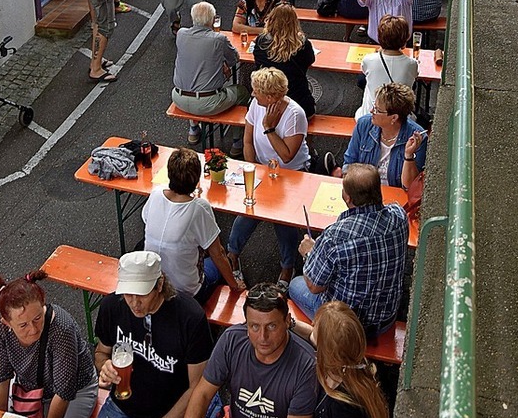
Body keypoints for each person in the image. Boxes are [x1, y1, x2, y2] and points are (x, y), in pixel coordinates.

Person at [91, 251, 215, 418]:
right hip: (122, 408)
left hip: (172, 415)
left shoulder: (190, 317)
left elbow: (197, 388)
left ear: (159, 284)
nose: (134, 302)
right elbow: (101, 352)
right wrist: (104, 366)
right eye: (128, 294)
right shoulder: (112, 305)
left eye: (142, 294)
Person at [180, 283, 317, 418]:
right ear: (246, 324)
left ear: (287, 321)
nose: (262, 337)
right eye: (254, 327)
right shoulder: (231, 340)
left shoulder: (306, 366)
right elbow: (202, 394)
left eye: (271, 326)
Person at [289, 164, 408, 334]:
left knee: (295, 284)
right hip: (386, 318)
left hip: (346, 328)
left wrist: (309, 253)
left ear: (348, 198)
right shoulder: (399, 216)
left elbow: (315, 286)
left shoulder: (336, 236)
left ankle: (314, 337)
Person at [227, 68, 311, 289]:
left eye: (256, 92)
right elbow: (247, 141)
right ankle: (232, 255)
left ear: (271, 97)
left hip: (292, 174)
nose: (252, 95)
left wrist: (269, 127)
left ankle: (287, 267)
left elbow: (286, 155)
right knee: (247, 212)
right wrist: (252, 168)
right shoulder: (256, 105)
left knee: (282, 220)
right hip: (263, 171)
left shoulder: (295, 114)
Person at [0, 269, 98, 418]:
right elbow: (1, 378)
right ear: (6, 322)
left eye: (37, 318)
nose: (33, 329)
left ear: (43, 304)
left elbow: (63, 393)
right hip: (31, 387)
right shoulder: (0, 329)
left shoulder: (62, 328)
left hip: (75, 391)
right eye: (23, 325)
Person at [142, 148, 244, 302]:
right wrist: (235, 285)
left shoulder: (155, 194)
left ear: (169, 174)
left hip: (154, 284)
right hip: (187, 293)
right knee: (224, 262)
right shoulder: (199, 207)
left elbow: (146, 220)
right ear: (197, 179)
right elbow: (219, 253)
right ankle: (212, 313)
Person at [308, 301, 390, 418]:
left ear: (326, 350)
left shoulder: (342, 406)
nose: (312, 326)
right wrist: (291, 324)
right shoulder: (358, 369)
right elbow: (317, 336)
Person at [172, 1, 250, 150]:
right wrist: (221, 63)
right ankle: (236, 141)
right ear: (213, 20)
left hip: (178, 97)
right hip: (208, 102)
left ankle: (193, 129)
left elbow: (194, 56)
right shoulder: (218, 39)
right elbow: (234, 59)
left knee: (192, 81)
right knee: (242, 92)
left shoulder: (181, 34)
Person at [339, 84, 427, 187]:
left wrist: (408, 155)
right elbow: (348, 164)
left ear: (393, 118)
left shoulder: (418, 138)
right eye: (374, 106)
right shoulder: (364, 124)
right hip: (364, 190)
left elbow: (410, 186)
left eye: (377, 110)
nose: (372, 111)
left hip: (396, 196)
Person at [254, 4, 316, 118]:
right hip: (299, 103)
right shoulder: (303, 45)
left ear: (271, 20)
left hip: (265, 104)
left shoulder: (261, 41)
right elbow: (310, 61)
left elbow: (257, 61)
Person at [353, 18, 418, 120]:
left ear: (380, 38)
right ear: (405, 39)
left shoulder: (369, 59)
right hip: (399, 120)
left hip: (368, 116)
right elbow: (415, 75)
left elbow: (364, 71)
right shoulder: (411, 64)